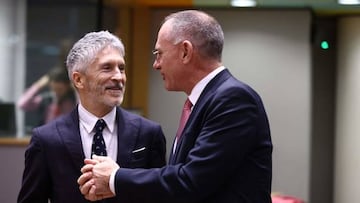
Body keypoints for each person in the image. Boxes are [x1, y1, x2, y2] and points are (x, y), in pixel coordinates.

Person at [78, 10, 273, 203]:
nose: (156, 64)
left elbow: (191, 180)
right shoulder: (204, 102)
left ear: (185, 52)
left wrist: (115, 178)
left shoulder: (233, 99)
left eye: (159, 53)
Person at [17, 31, 167, 203]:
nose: (118, 76)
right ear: (79, 80)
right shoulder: (46, 139)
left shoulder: (148, 133)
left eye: (121, 68)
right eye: (107, 68)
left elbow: (160, 195)